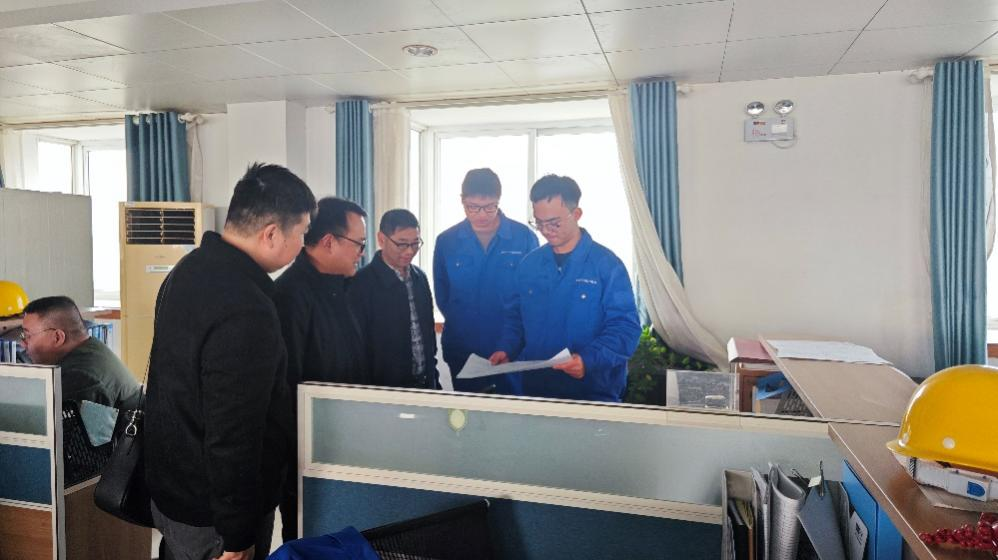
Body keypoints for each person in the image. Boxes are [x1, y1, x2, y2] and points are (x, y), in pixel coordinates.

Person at [145, 163, 315, 560]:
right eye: (302, 233)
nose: (303, 245)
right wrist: (237, 537)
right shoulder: (246, 308)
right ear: (271, 233)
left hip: (173, 492)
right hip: (214, 516)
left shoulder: (187, 270)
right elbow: (234, 433)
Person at [490, 174, 641, 402]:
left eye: (554, 223)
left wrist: (588, 360)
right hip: (537, 389)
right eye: (539, 223)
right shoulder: (529, 265)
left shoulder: (607, 266)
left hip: (592, 391)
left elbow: (625, 328)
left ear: (576, 214)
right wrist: (507, 348)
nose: (546, 230)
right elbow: (516, 319)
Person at [273, 197, 368, 542]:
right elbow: (287, 386)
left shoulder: (340, 286)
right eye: (359, 244)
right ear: (329, 241)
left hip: (345, 441)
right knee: (309, 539)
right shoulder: (291, 294)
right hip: (310, 452)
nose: (362, 254)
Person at [433, 168, 537, 394]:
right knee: (467, 413)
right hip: (463, 350)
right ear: (462, 201)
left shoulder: (523, 238)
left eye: (489, 207)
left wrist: (511, 344)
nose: (481, 215)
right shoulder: (447, 241)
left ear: (499, 200)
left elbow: (532, 298)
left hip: (512, 352)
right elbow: (443, 296)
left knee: (510, 413)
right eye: (473, 207)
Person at [349, 209, 438, 389]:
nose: (410, 251)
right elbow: (358, 351)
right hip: (385, 390)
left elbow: (428, 337)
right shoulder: (361, 284)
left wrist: (434, 382)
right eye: (402, 244)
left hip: (425, 385)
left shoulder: (420, 278)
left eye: (415, 243)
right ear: (382, 239)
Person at [20, 295, 141, 410]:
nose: (22, 344)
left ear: (57, 337)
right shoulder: (90, 348)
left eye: (27, 336)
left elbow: (63, 425)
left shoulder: (80, 377)